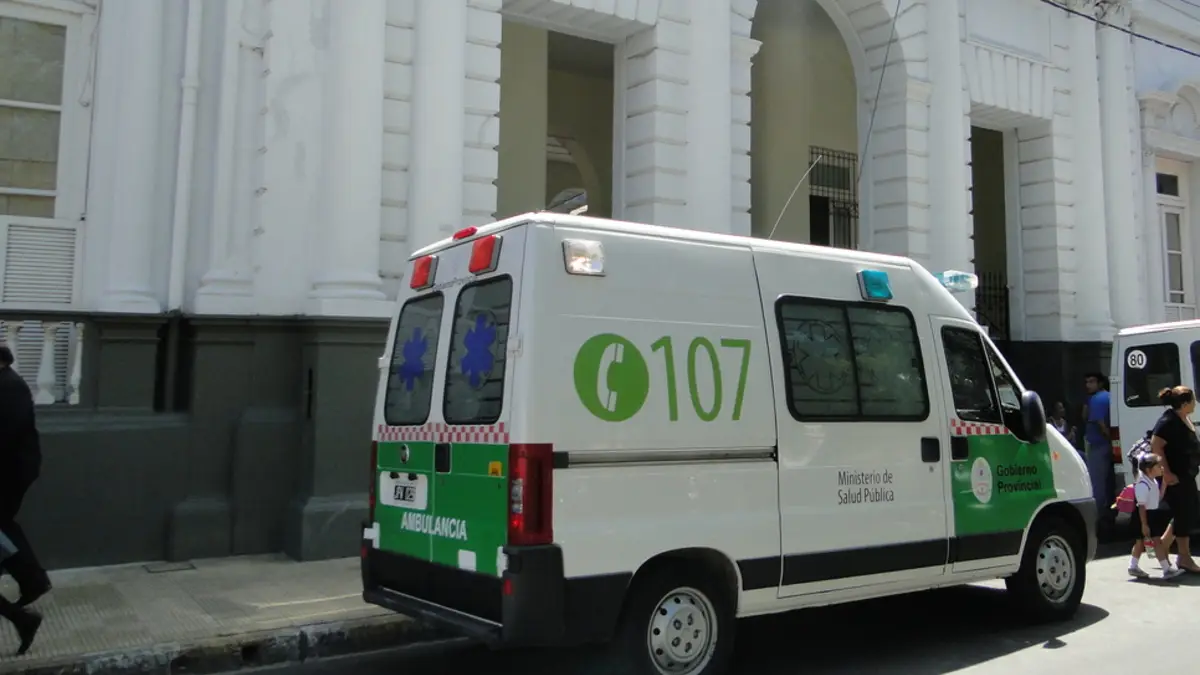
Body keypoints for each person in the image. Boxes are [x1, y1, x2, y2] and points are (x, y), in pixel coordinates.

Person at [0, 346, 48, 654]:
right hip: (10, 470)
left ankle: (32, 582)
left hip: (10, 472)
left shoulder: (10, 386)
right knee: (4, 526)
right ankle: (32, 582)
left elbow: (6, 436)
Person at [1150, 385, 1200, 573]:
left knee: (1186, 513)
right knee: (1183, 514)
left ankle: (1163, 545)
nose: (1195, 403)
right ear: (1185, 403)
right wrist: (1167, 472)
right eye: (1193, 400)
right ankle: (1184, 557)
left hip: (1187, 474)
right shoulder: (1168, 421)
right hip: (1176, 476)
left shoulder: (1184, 418)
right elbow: (1156, 445)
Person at [1127, 453, 1183, 579]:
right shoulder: (1142, 484)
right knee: (1146, 542)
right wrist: (1144, 524)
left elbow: (1157, 499)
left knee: (1145, 542)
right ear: (1148, 470)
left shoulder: (1153, 482)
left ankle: (1133, 566)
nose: (1161, 468)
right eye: (1158, 466)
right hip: (1144, 516)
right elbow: (1141, 506)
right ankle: (1166, 569)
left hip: (1151, 514)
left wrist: (1164, 484)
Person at [1083, 373, 1114, 521]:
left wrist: (1109, 439)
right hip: (1107, 445)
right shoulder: (1110, 396)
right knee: (1108, 481)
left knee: (1097, 483)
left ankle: (1098, 516)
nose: (1088, 385)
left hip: (1098, 445)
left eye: (1091, 382)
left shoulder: (1096, 399)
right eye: (1086, 382)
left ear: (1100, 383)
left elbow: (1100, 424)